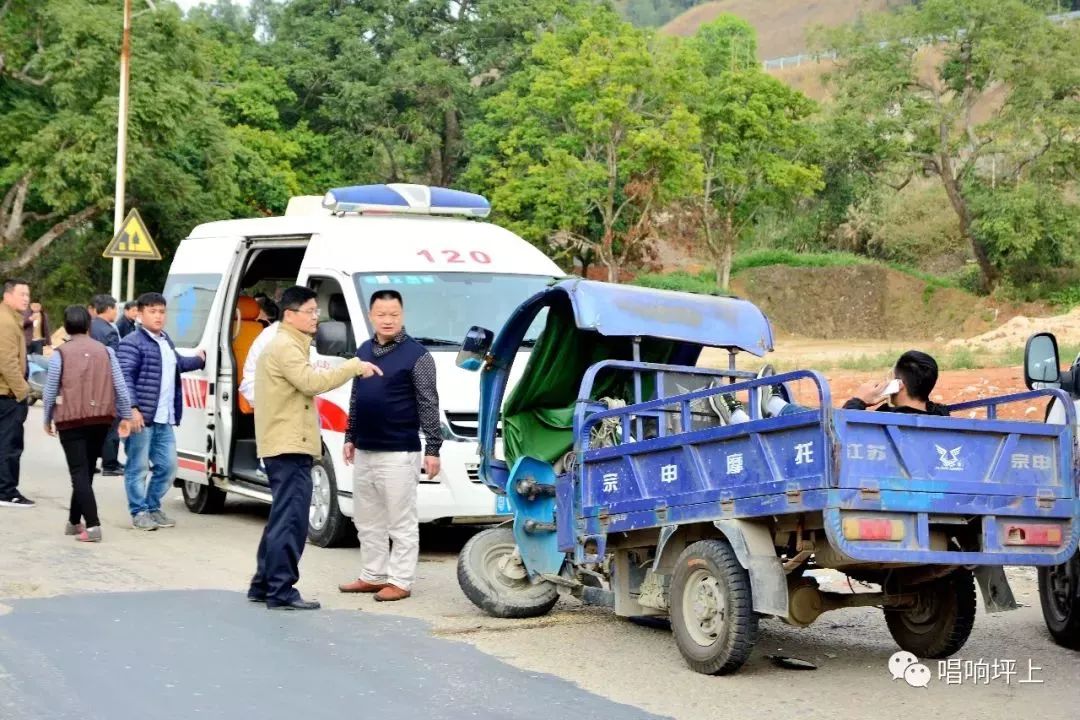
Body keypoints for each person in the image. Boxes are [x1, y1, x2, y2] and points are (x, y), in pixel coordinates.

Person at [247, 285, 381, 611]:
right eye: (310, 312)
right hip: (288, 445)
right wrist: (353, 366)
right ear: (290, 314)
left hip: (287, 443)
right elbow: (311, 383)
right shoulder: (285, 347)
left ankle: (264, 584)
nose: (315, 318)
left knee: (282, 517)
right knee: (292, 520)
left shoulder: (289, 344)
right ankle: (280, 590)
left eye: (316, 312)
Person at [338, 290, 442, 602]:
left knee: (401, 521)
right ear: (371, 316)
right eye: (381, 314)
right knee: (367, 519)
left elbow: (428, 403)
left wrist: (433, 449)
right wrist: (350, 436)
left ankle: (400, 581)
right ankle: (372, 575)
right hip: (366, 449)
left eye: (393, 314)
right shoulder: (364, 350)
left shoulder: (418, 355)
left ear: (402, 315)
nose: (387, 320)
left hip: (399, 452)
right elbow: (357, 397)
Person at [43, 306, 133, 542]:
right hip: (101, 419)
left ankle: (92, 526)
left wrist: (47, 418)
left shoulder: (60, 354)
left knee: (79, 472)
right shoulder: (106, 352)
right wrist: (126, 416)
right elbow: (121, 388)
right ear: (88, 325)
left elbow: (51, 389)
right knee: (86, 469)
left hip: (70, 420)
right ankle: (74, 521)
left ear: (67, 325)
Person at [117, 292, 206, 531]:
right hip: (141, 418)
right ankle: (139, 512)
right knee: (138, 467)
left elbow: (177, 363)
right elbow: (124, 378)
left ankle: (152, 507)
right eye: (152, 311)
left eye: (162, 311)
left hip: (164, 418)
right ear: (139, 313)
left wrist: (201, 359)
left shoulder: (164, 340)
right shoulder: (132, 342)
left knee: (168, 467)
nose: (158, 316)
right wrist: (132, 409)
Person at [716, 352, 950, 423]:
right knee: (816, 416)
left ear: (898, 384)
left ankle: (741, 420)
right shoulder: (940, 418)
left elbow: (836, 429)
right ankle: (775, 406)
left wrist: (860, 400)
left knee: (820, 422)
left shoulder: (887, 419)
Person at [0, 278, 33, 508]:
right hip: (7, 394)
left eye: (28, 295)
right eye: (22, 294)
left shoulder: (12, 318)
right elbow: (7, 362)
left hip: (8, 392)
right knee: (9, 444)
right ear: (8, 295)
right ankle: (6, 491)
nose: (26, 299)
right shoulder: (5, 321)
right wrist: (23, 392)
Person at [90, 294, 124, 476]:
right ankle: (110, 464)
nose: (116, 312)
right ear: (109, 309)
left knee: (92, 423)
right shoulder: (109, 331)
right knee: (111, 424)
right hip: (106, 383)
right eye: (115, 309)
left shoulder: (89, 326)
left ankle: (91, 461)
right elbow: (115, 361)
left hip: (89, 383)